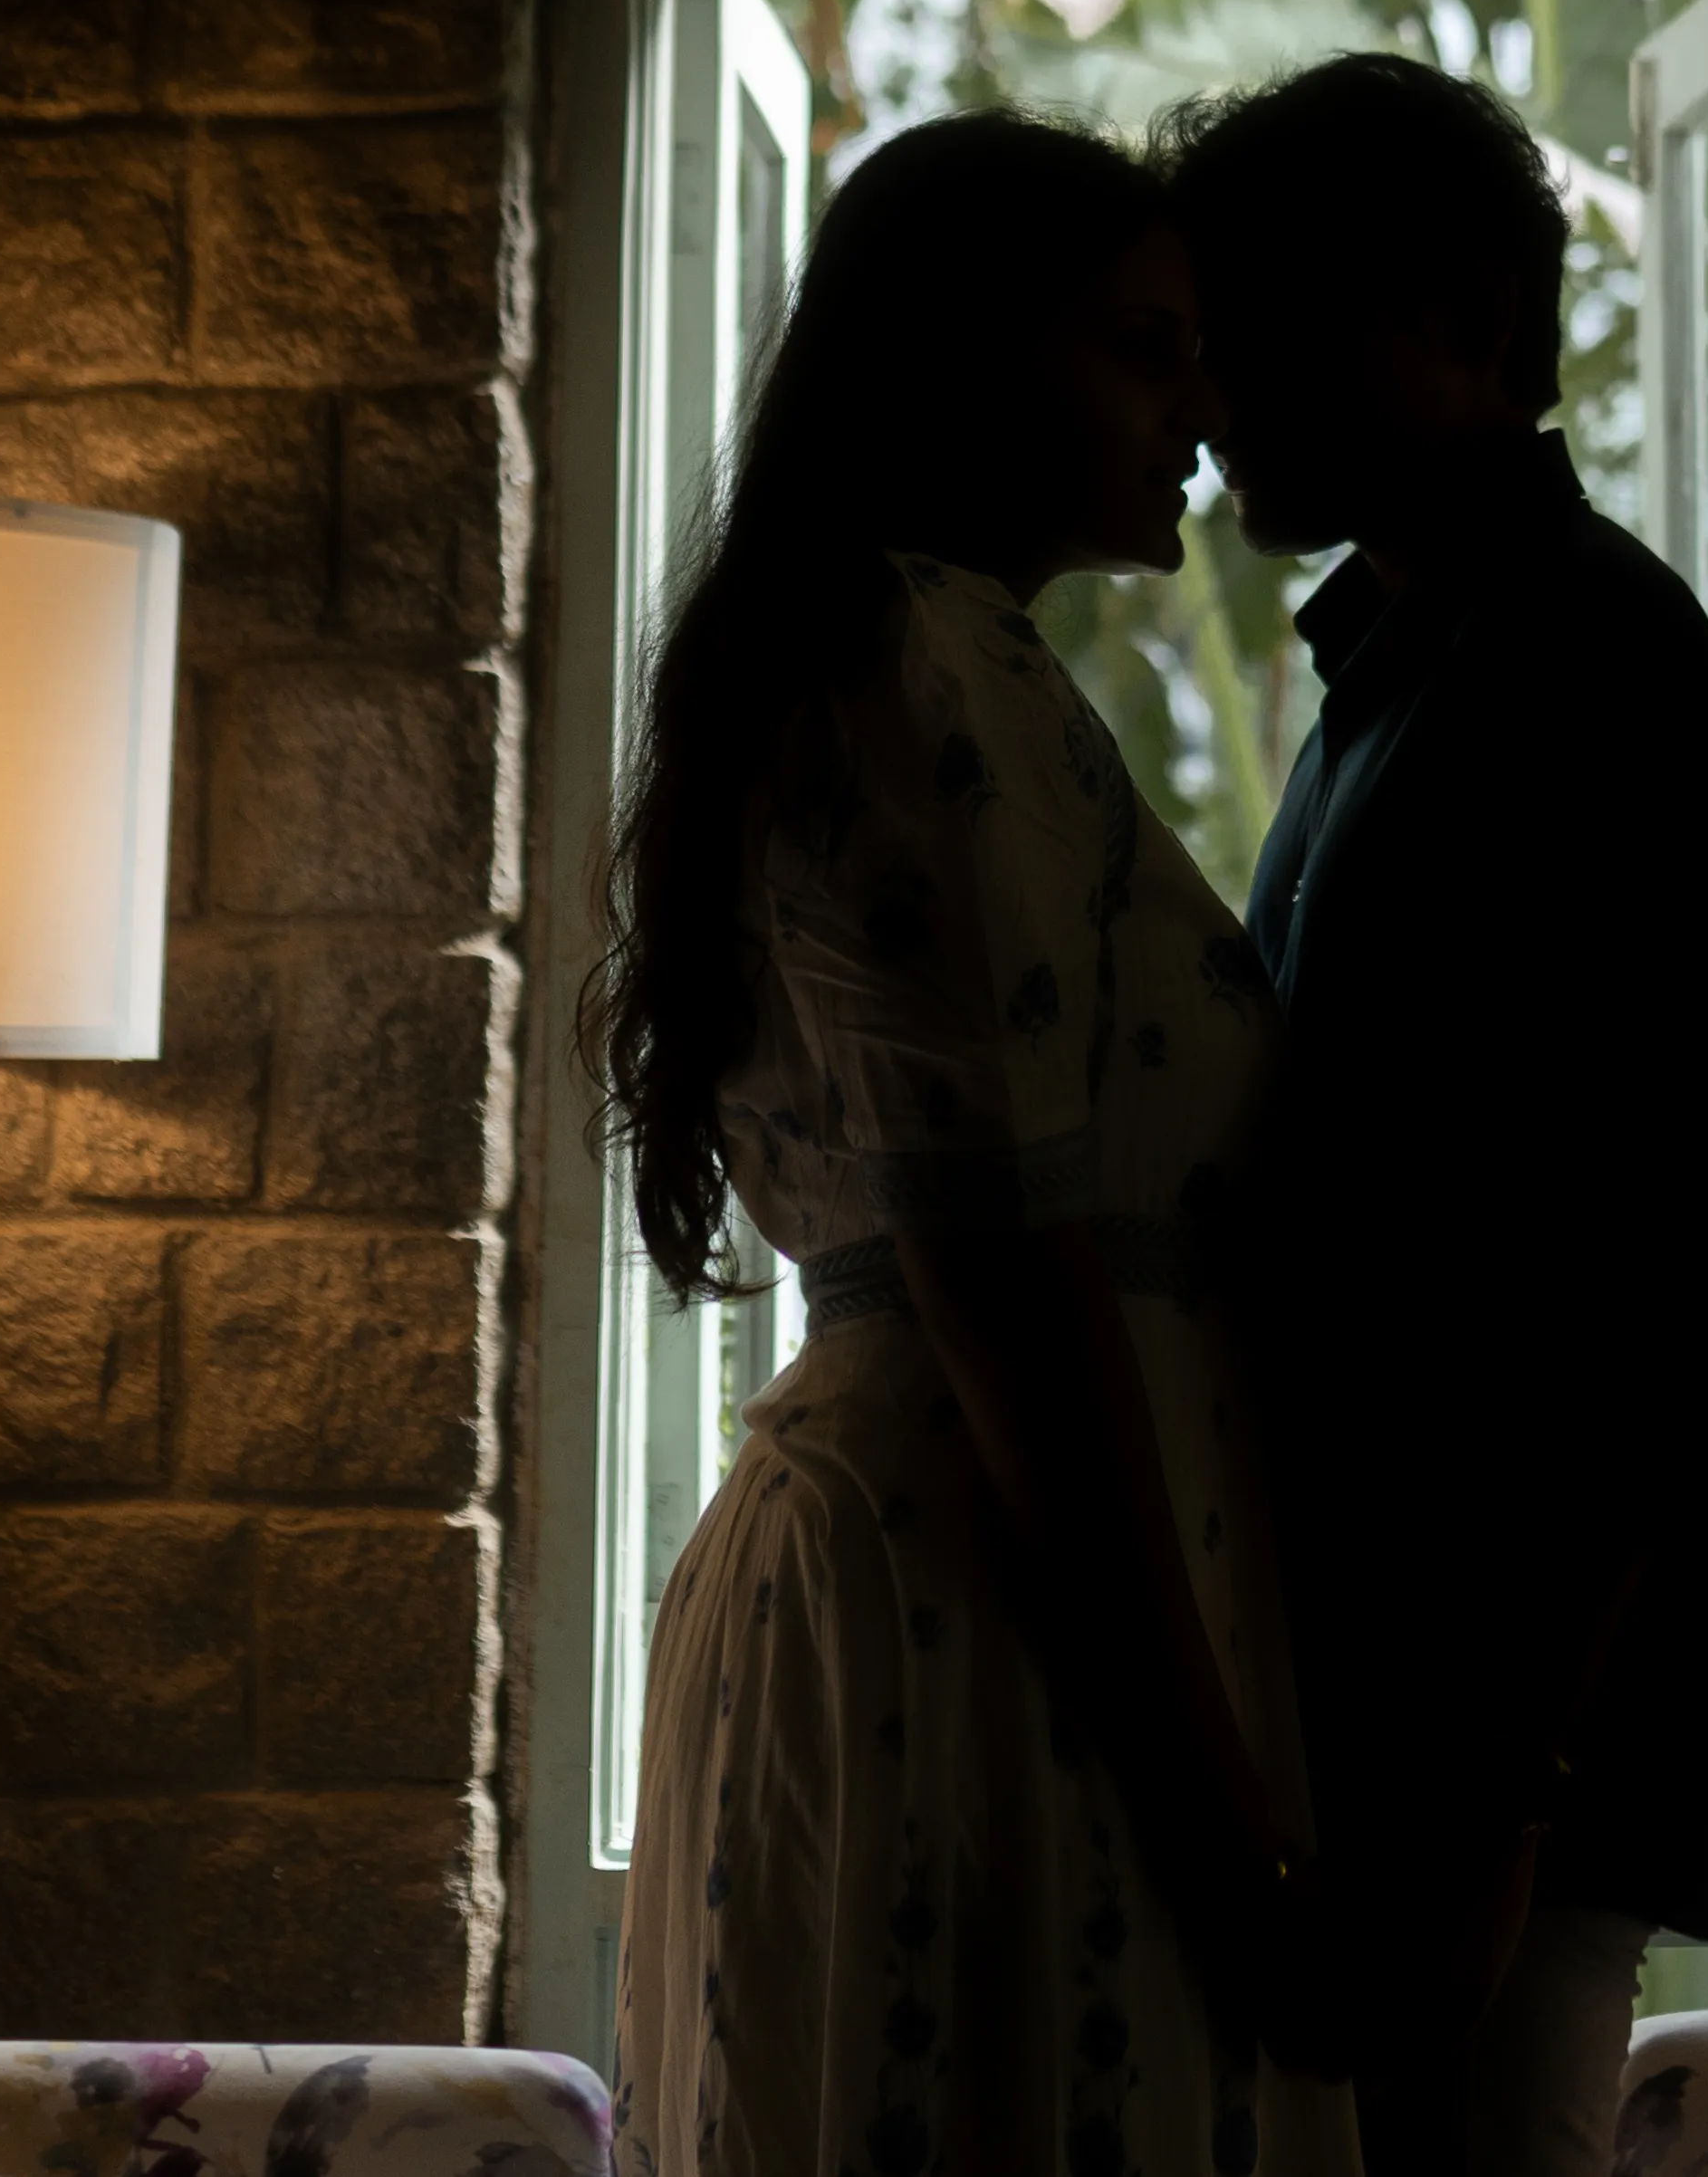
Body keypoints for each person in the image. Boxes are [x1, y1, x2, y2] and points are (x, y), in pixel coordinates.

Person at [592, 108, 1340, 2177]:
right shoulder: (925, 664)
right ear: (970, 363)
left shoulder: (919, 657)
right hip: (973, 1581)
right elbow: (1006, 1280)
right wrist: (1230, 1838)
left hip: (959, 1557)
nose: (1201, 404)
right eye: (1138, 350)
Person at [1161, 55, 1708, 2177]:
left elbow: (1640, 1282)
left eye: (1250, 326)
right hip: (1406, 1696)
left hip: (1507, 1712)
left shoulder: (1588, 668)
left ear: (1458, 328)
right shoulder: (1398, 668)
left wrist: (1512, 1785)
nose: (1206, 386)